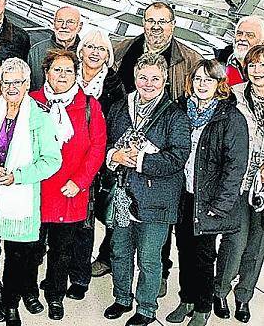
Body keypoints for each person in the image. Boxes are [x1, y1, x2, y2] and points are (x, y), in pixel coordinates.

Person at [0, 57, 60, 326]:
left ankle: (10, 305)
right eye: (7, 81)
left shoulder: (40, 116)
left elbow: (52, 160)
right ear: (1, 83)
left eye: (18, 81)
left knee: (18, 260)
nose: (12, 87)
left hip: (21, 201)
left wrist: (18, 177)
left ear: (27, 83)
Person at [102, 53, 190, 326]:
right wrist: (113, 155)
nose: (148, 83)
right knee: (119, 250)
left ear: (164, 80)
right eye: (143, 77)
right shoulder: (119, 107)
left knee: (150, 258)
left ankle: (146, 309)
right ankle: (121, 298)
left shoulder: (175, 115)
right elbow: (103, 142)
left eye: (154, 78)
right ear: (135, 78)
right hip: (121, 195)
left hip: (157, 200)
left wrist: (140, 160)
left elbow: (178, 157)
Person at [166, 60, 248, 326]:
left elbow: (236, 166)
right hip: (184, 196)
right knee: (184, 251)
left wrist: (221, 204)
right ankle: (186, 299)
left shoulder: (230, 118)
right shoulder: (181, 111)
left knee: (203, 256)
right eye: (198, 79)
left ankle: (202, 307)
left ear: (219, 84)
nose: (202, 85)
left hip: (209, 200)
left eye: (209, 80)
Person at [28, 50, 107, 321]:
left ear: (76, 74)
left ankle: (54, 295)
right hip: (35, 189)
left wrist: (80, 182)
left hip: (70, 191)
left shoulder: (89, 105)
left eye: (69, 71)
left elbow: (97, 148)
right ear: (46, 73)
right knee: (31, 247)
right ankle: (28, 291)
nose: (63, 75)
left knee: (62, 251)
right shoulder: (32, 102)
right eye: (57, 70)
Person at [215, 44, 264, 324]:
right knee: (236, 241)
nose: (258, 70)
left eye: (263, 65)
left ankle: (244, 297)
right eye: (253, 65)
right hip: (238, 182)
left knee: (257, 246)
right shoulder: (233, 96)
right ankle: (220, 290)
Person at [75, 29, 126, 285]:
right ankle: (70, 260)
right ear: (80, 50)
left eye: (101, 49)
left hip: (100, 158)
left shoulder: (115, 85)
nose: (95, 52)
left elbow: (119, 123)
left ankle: (92, 264)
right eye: (90, 47)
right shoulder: (66, 76)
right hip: (68, 157)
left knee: (96, 213)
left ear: (108, 55)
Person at [114, 2, 202, 101]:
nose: (156, 27)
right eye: (151, 21)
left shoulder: (191, 60)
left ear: (173, 24)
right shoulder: (122, 49)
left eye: (162, 22)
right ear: (144, 22)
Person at [28, 6, 83, 90]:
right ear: (53, 24)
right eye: (60, 21)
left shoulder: (85, 53)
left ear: (79, 27)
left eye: (70, 22)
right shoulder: (36, 51)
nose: (64, 26)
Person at [217, 15, 264, 86]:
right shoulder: (222, 64)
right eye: (239, 34)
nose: (242, 38)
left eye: (250, 35)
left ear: (262, 42)